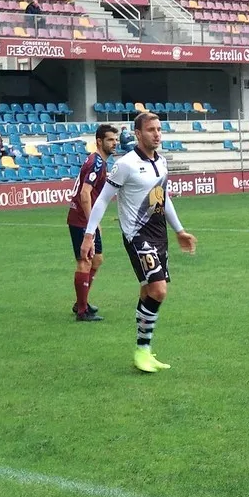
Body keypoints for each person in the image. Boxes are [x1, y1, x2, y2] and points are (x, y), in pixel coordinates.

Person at [80, 113, 197, 372]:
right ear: (137, 134)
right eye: (151, 130)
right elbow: (102, 199)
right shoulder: (126, 164)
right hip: (137, 235)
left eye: (159, 129)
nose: (157, 134)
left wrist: (179, 230)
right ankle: (142, 351)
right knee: (159, 290)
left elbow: (162, 198)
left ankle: (143, 349)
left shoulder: (161, 162)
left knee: (147, 291)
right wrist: (89, 235)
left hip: (159, 234)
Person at [67, 124, 119, 322]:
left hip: (84, 219)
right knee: (85, 261)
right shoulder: (96, 163)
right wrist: (92, 224)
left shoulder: (98, 161)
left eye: (115, 139)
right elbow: (85, 193)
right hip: (81, 219)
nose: (114, 143)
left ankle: (81, 301)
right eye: (110, 140)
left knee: (97, 259)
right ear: (99, 141)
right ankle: (82, 311)